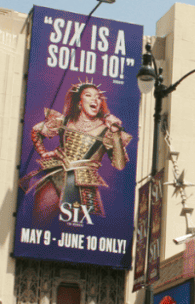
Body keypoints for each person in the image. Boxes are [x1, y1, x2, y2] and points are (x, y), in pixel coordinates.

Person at [21, 82, 132, 225]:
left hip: (84, 184)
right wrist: (44, 153)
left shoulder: (108, 130)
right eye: (88, 95)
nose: (95, 100)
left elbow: (119, 165)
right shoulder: (65, 121)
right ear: (79, 102)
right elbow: (36, 130)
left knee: (75, 229)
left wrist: (116, 133)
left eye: (98, 97)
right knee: (39, 222)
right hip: (55, 176)